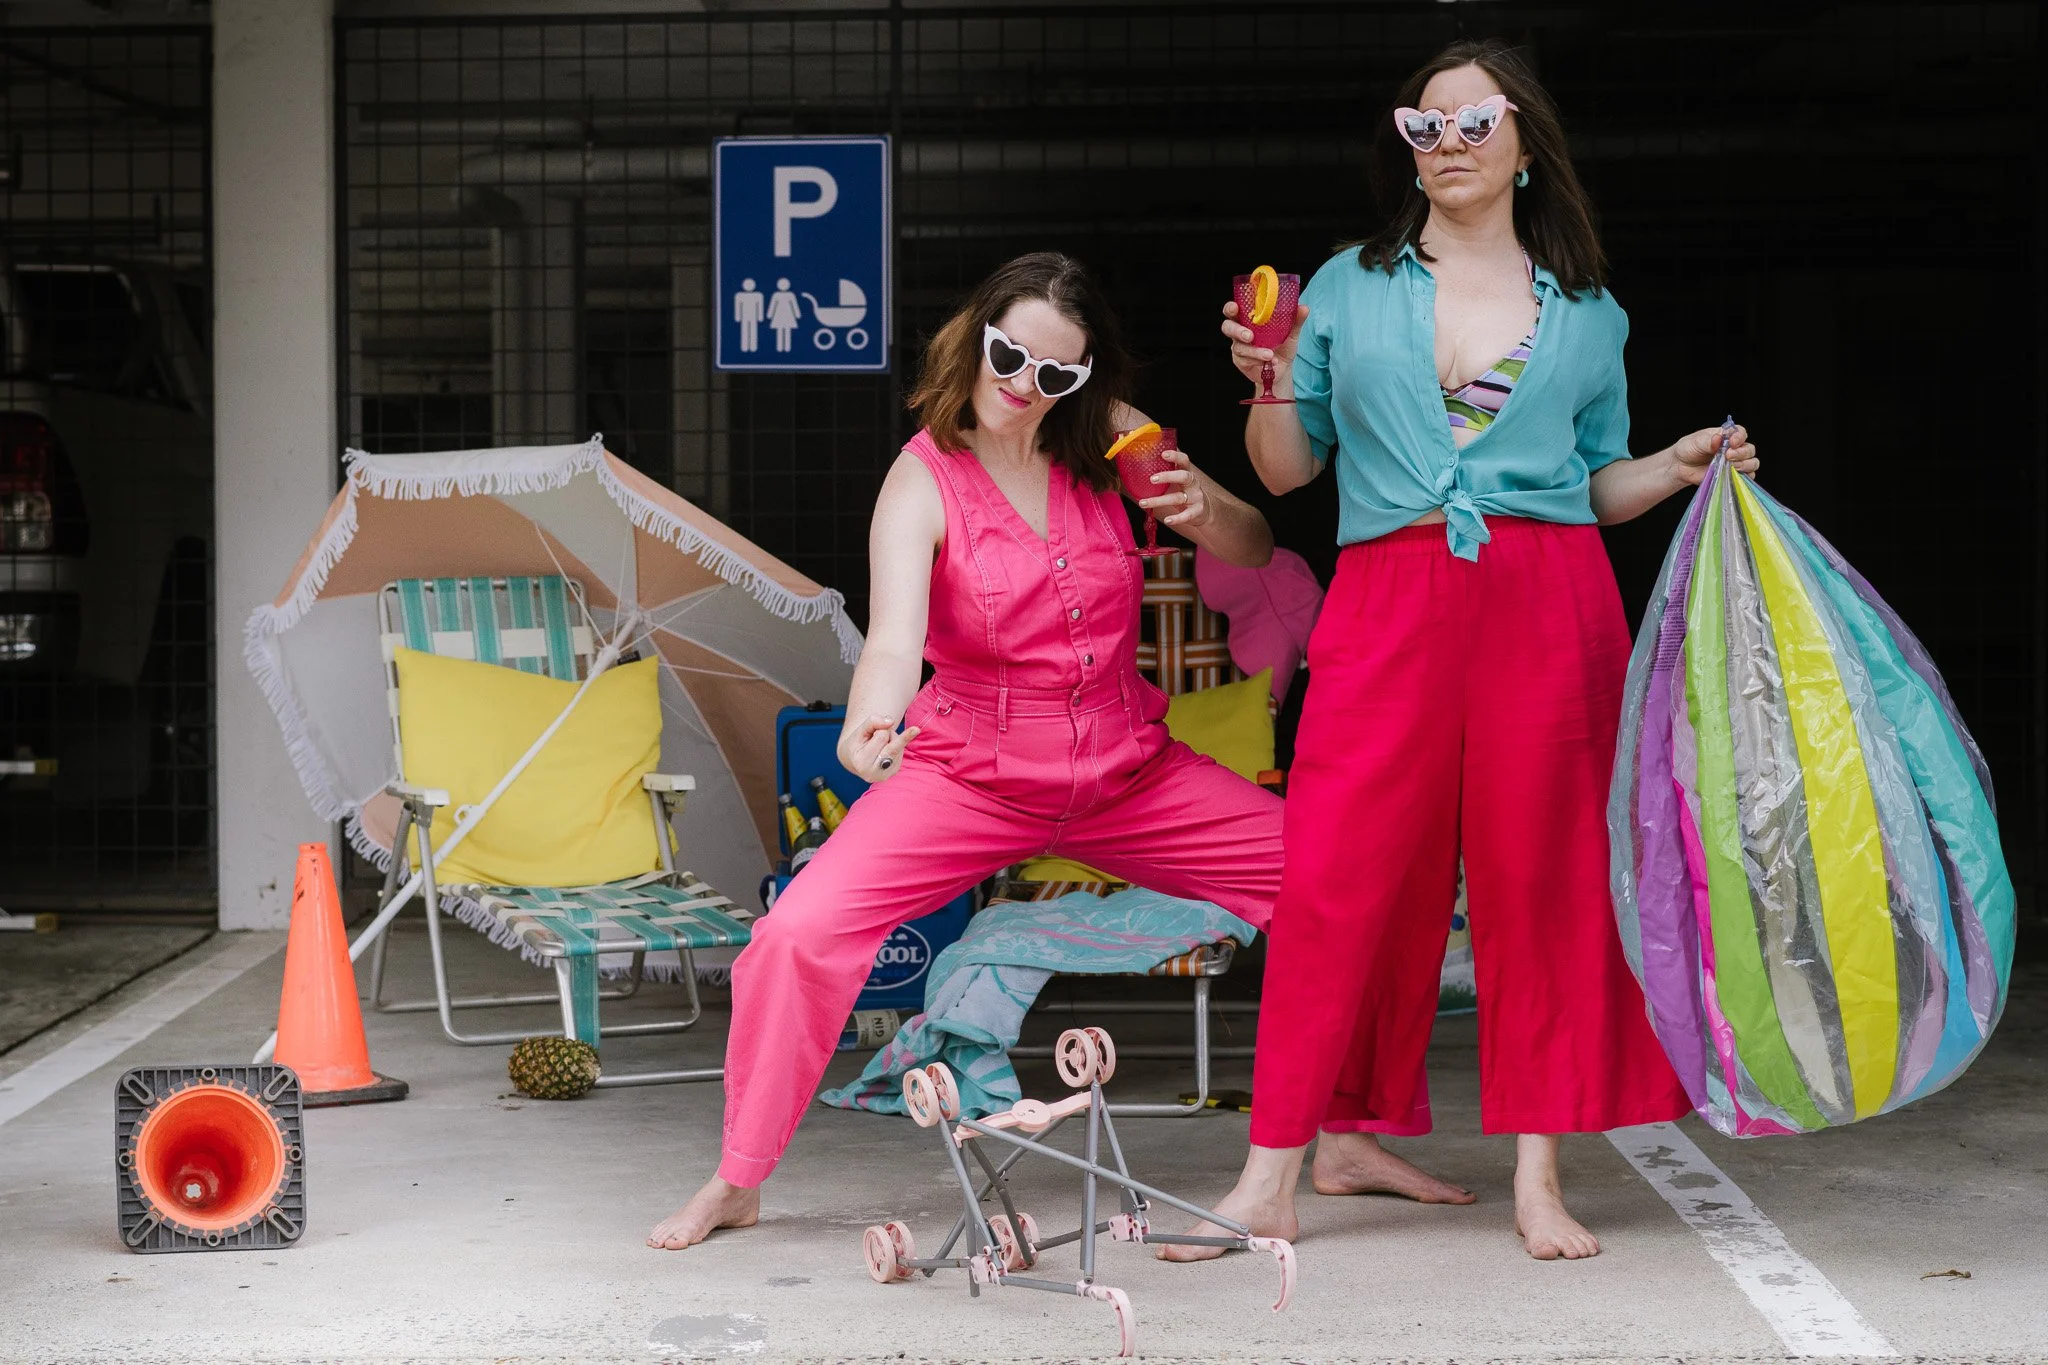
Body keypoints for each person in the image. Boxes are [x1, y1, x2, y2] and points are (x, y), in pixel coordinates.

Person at [1175, 39, 1763, 1263]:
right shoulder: (1343, 283)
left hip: (1549, 606)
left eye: (1468, 122)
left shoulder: (1591, 316)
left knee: (1538, 885)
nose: (1441, 145)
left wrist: (1671, 466)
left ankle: (1537, 1179)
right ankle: (1272, 1171)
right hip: (1383, 598)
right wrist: (1270, 380)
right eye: (1419, 126)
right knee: (1333, 880)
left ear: (1524, 142)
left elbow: (1590, 484)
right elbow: (1287, 477)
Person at [649, 251, 1287, 1250]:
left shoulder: (1109, 441)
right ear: (975, 335)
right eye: (1008, 355)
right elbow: (896, 639)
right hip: (970, 775)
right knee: (794, 936)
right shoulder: (922, 476)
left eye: (1056, 374)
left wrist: (1205, 510)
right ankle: (737, 1176)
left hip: (1128, 772)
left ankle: (1329, 1136)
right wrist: (869, 723)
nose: (1024, 386)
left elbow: (1252, 545)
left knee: (1328, 873)